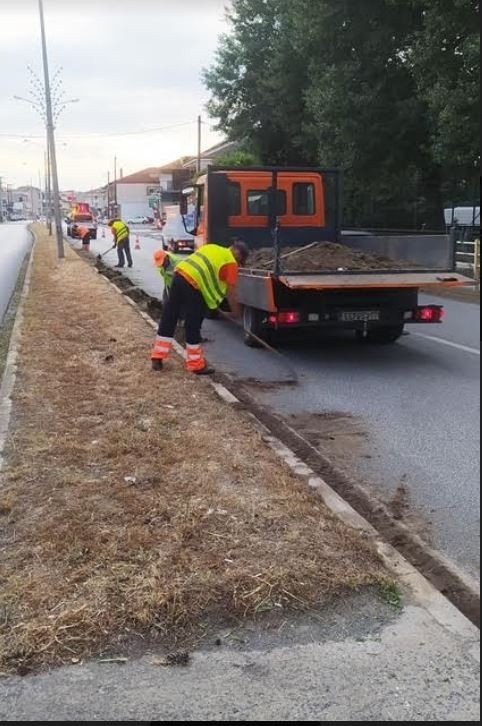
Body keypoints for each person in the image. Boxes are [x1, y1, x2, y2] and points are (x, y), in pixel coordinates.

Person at [151, 240, 249, 375]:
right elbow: (231, 292)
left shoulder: (212, 247)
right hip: (194, 287)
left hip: (179, 275)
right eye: (240, 262)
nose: (238, 264)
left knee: (169, 316)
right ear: (238, 254)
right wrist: (237, 314)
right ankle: (196, 365)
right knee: (193, 325)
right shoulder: (230, 263)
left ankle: (157, 356)